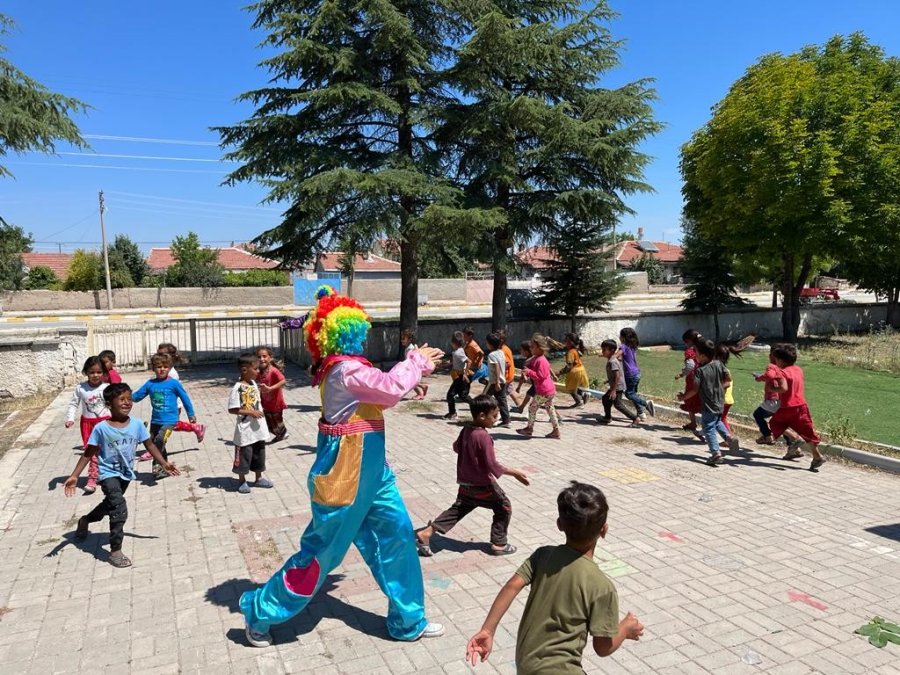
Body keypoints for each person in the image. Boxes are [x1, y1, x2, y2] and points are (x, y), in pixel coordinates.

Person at [240, 286, 445, 648]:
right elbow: (389, 387)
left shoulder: (348, 368)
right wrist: (416, 363)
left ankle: (408, 618)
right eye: (359, 329)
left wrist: (411, 374)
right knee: (323, 552)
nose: (363, 335)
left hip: (374, 472)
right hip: (345, 474)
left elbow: (380, 398)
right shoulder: (345, 370)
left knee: (397, 538)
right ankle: (260, 611)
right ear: (348, 333)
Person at [465, 481, 644, 672]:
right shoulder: (602, 586)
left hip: (527, 666)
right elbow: (603, 647)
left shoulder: (543, 556)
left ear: (559, 524)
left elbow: (512, 586)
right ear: (604, 530)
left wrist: (488, 630)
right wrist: (625, 629)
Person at [64, 383, 180, 568]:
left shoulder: (136, 424)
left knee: (109, 505)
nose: (127, 402)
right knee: (119, 509)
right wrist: (74, 475)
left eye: (129, 398)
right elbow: (89, 452)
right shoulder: (101, 428)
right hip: (108, 474)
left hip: (126, 474)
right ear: (109, 403)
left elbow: (149, 445)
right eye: (121, 399)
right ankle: (115, 550)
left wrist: (164, 463)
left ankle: (85, 520)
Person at [414, 394, 529, 557]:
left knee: (458, 509)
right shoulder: (483, 436)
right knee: (503, 507)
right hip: (483, 485)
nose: (495, 419)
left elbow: (456, 447)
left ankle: (426, 533)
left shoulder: (466, 429)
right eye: (494, 416)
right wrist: (515, 472)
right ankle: (499, 543)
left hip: (465, 483)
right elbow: (492, 465)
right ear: (482, 416)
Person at [132, 353, 201, 480]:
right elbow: (136, 396)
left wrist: (191, 414)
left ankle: (158, 465)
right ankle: (164, 466)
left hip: (170, 420)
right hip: (156, 420)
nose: (162, 369)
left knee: (159, 440)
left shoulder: (174, 383)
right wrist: (123, 398)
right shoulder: (150, 384)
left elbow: (185, 398)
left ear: (169, 368)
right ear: (153, 368)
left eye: (165, 366)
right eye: (158, 366)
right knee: (154, 441)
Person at [679, 338, 739, 465]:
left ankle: (715, 453)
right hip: (720, 402)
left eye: (696, 353)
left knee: (708, 428)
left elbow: (695, 390)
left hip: (708, 404)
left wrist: (683, 397)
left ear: (703, 356)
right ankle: (729, 438)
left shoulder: (699, 371)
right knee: (717, 422)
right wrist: (719, 387)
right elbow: (728, 380)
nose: (694, 356)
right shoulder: (719, 364)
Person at [769, 343, 826, 471]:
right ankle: (816, 456)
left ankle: (771, 438)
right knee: (807, 432)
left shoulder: (782, 372)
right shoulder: (798, 369)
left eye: (776, 359)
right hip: (801, 406)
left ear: (781, 360)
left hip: (787, 407)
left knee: (775, 424)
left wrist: (772, 388)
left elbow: (783, 388)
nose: (775, 361)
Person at [64, 356, 110, 494]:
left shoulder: (107, 388)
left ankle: (106, 474)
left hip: (105, 423)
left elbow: (114, 404)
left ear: (103, 373)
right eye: (92, 372)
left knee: (106, 451)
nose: (95, 375)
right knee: (92, 452)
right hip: (88, 425)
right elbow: (73, 404)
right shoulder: (81, 388)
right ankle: (92, 478)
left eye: (99, 372)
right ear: (86, 372)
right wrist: (70, 418)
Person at [229, 354, 274, 493]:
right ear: (244, 370)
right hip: (245, 429)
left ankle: (258, 478)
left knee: (259, 453)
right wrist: (251, 413)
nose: (258, 371)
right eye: (255, 369)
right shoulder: (237, 388)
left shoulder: (253, 384)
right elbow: (232, 409)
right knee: (244, 455)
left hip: (258, 428)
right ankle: (242, 481)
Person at [516, 334, 561, 439]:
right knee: (550, 409)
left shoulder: (540, 360)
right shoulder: (539, 358)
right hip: (549, 390)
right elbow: (530, 362)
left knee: (532, 408)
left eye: (532, 347)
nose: (530, 349)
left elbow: (540, 376)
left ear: (539, 348)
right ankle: (556, 430)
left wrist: (529, 371)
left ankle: (529, 428)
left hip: (543, 391)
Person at [598, 340, 639, 427]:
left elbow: (617, 375)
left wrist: (613, 390)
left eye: (604, 350)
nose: (603, 352)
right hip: (615, 385)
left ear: (612, 350)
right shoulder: (611, 359)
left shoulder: (612, 361)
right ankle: (607, 417)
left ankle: (635, 418)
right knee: (605, 399)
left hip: (617, 387)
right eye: (602, 350)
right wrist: (608, 380)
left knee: (618, 404)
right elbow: (614, 375)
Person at [618, 328, 654, 420]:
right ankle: (641, 413)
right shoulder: (632, 346)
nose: (619, 337)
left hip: (630, 374)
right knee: (633, 394)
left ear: (623, 337)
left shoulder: (623, 346)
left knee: (629, 394)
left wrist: (609, 356)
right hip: (637, 373)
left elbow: (616, 356)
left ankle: (646, 403)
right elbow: (628, 359)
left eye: (620, 335)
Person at [256, 346, 288, 443]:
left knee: (277, 421)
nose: (262, 359)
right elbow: (255, 378)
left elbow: (283, 381)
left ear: (270, 357)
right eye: (259, 357)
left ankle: (283, 433)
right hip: (266, 402)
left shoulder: (274, 371)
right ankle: (280, 434)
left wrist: (270, 388)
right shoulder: (260, 371)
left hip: (275, 403)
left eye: (264, 356)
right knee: (268, 421)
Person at [676, 329, 704, 440]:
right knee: (700, 400)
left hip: (693, 378)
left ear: (688, 341)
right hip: (704, 376)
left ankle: (693, 422)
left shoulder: (690, 351)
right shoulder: (703, 347)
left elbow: (690, 366)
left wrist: (683, 373)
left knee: (690, 399)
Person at [484, 332, 511, 426]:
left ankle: (483, 418)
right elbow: (504, 364)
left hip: (494, 382)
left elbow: (496, 367)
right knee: (502, 401)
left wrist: (497, 383)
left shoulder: (491, 355)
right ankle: (506, 420)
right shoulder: (501, 352)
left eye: (487, 343)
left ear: (490, 344)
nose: (486, 344)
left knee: (484, 398)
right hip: (503, 381)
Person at [556, 333, 590, 407]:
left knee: (571, 388)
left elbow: (569, 366)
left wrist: (560, 372)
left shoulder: (570, 352)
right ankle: (583, 394)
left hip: (575, 371)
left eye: (565, 340)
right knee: (576, 386)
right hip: (581, 369)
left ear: (570, 342)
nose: (564, 342)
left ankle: (578, 402)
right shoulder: (575, 349)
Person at [443, 331, 470, 421]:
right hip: (457, 376)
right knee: (462, 396)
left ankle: (453, 413)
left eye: (452, 342)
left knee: (451, 395)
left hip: (460, 376)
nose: (451, 344)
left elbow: (469, 361)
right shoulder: (458, 351)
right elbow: (456, 361)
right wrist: (446, 364)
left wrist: (465, 374)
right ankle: (452, 412)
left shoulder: (458, 352)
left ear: (454, 343)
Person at [401, 329, 429, 400]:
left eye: (404, 339)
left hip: (411, 369)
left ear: (409, 340)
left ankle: (420, 393)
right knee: (410, 382)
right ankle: (422, 387)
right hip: (411, 368)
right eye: (402, 338)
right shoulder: (408, 348)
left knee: (411, 382)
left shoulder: (410, 349)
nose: (402, 340)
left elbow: (410, 359)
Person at [515, 341, 535, 414]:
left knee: (546, 402)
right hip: (539, 383)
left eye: (521, 350)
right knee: (529, 393)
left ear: (526, 351)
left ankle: (558, 417)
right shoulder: (536, 357)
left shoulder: (527, 362)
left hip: (538, 384)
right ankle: (521, 408)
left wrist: (519, 387)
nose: (520, 351)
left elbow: (522, 377)